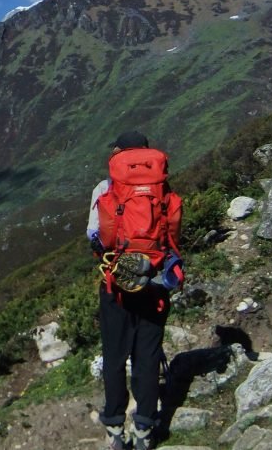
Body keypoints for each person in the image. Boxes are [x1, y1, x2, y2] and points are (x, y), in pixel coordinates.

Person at [86, 131, 183, 450]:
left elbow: (94, 236)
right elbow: (172, 232)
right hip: (154, 283)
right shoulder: (163, 188)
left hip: (117, 285)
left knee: (115, 358)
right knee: (148, 356)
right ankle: (144, 428)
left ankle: (115, 428)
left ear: (117, 154)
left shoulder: (106, 189)